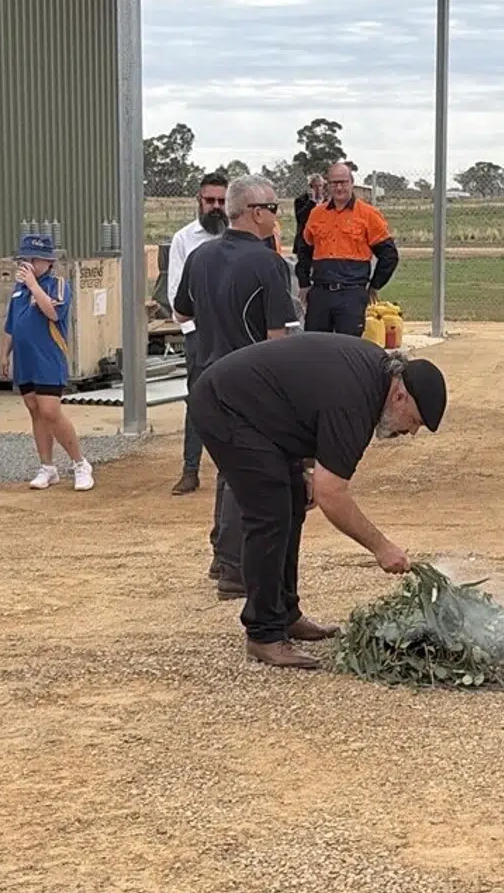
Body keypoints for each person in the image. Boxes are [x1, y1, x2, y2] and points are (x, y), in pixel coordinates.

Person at [188, 332, 445, 669]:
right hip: (225, 406)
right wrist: (382, 548)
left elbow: (309, 407)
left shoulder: (373, 380)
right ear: (400, 395)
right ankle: (263, 634)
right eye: (414, 421)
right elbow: (332, 494)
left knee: (292, 498)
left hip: (258, 411)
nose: (410, 433)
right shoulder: (356, 400)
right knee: (269, 511)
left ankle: (286, 614)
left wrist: (307, 471)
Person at [172, 174, 298, 599]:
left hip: (206, 371)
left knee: (229, 467)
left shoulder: (201, 256)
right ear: (257, 213)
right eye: (275, 210)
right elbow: (277, 338)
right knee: (245, 472)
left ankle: (221, 558)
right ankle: (231, 568)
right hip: (247, 379)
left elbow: (181, 311)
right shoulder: (269, 264)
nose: (278, 219)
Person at [0, 233, 96, 490]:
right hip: (25, 358)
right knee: (34, 409)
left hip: (48, 357)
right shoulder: (17, 291)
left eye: (36, 259)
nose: (30, 263)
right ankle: (47, 466)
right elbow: (11, 325)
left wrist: (33, 285)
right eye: (26, 259)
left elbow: (53, 312)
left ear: (48, 262)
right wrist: (4, 353)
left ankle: (79, 463)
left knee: (50, 411)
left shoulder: (58, 285)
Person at [166, 173, 229, 496]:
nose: (216, 207)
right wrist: (194, 334)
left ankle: (234, 471)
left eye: (222, 201)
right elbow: (176, 293)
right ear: (198, 201)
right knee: (199, 401)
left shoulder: (239, 238)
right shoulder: (184, 240)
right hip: (200, 338)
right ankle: (190, 470)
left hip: (235, 337)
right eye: (210, 201)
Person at [295, 162, 399, 336]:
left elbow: (389, 255)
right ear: (328, 186)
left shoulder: (368, 214)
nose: (339, 187)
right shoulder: (316, 214)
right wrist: (304, 283)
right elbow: (304, 250)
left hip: (352, 292)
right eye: (334, 183)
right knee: (315, 346)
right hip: (320, 292)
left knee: (349, 347)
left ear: (352, 183)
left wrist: (375, 285)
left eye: (343, 182)